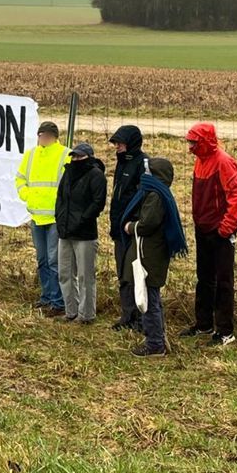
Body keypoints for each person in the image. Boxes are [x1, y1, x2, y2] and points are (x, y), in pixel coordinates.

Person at [180, 123, 237, 347]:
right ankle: (204, 324)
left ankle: (225, 331)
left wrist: (226, 228)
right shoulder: (200, 160)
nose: (189, 147)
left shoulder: (223, 162)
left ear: (204, 141)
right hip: (203, 229)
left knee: (223, 282)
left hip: (219, 232)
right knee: (205, 279)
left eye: (193, 142)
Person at [122, 157, 189, 357]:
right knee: (152, 297)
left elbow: (147, 224)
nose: (144, 175)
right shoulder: (157, 194)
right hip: (150, 253)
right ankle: (158, 338)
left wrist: (130, 226)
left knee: (148, 299)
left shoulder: (155, 196)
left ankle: (154, 345)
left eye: (147, 171)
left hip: (148, 255)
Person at [15, 121, 68, 316]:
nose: (42, 139)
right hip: (36, 216)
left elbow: (69, 185)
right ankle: (46, 297)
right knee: (42, 259)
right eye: (40, 135)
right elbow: (20, 178)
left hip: (54, 218)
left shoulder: (64, 154)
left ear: (54, 137)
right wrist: (27, 196)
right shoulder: (30, 155)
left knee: (55, 261)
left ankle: (58, 301)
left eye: (45, 135)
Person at [54, 142, 107, 324]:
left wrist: (81, 220)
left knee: (86, 276)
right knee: (65, 273)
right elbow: (60, 198)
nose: (76, 159)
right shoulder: (68, 173)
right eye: (74, 156)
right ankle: (71, 311)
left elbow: (98, 203)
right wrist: (61, 221)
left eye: (80, 156)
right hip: (65, 233)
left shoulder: (96, 175)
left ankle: (86, 315)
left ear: (89, 157)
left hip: (84, 234)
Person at [107, 125, 148, 331]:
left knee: (136, 275)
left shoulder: (142, 164)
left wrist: (134, 224)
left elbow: (144, 198)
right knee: (123, 274)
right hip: (119, 230)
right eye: (115, 143)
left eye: (120, 143)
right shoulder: (122, 163)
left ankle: (141, 319)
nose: (116, 146)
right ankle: (127, 316)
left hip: (133, 231)